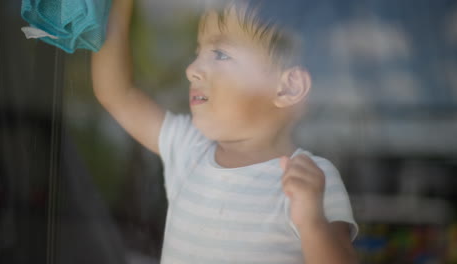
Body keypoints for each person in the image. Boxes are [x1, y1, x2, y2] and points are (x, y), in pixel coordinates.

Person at [92, 0, 358, 263]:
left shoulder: (311, 179)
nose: (191, 69)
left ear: (288, 88)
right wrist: (117, 6)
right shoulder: (189, 148)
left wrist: (311, 221)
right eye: (198, 52)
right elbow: (117, 93)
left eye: (220, 54)